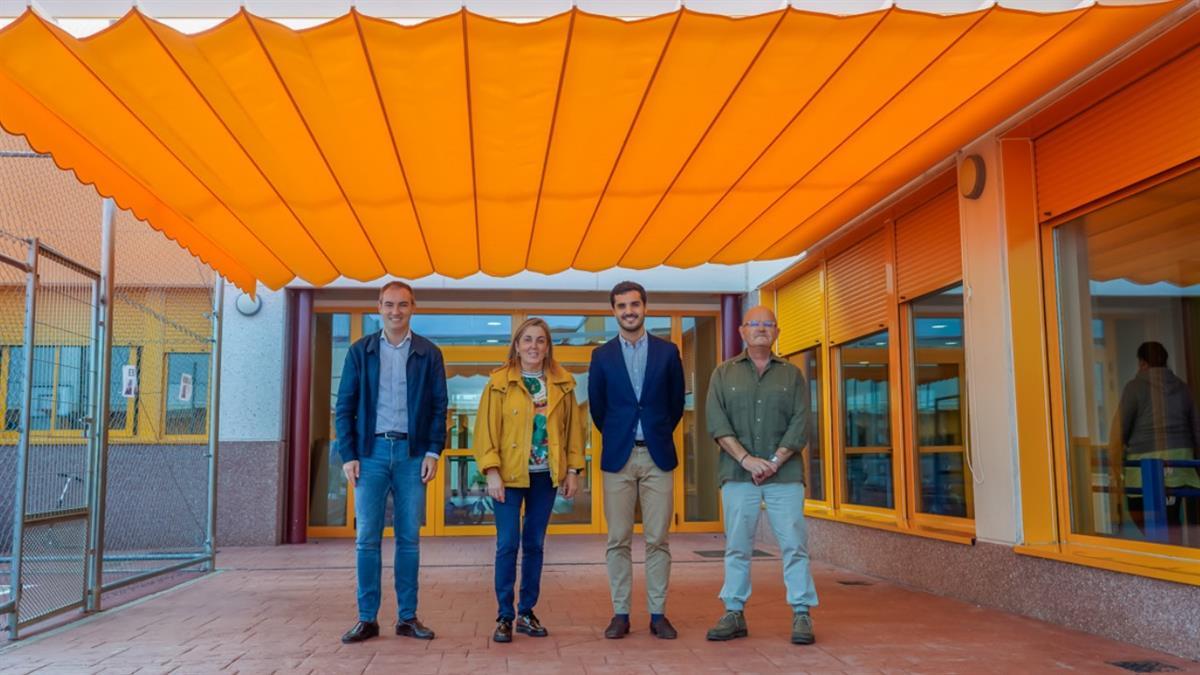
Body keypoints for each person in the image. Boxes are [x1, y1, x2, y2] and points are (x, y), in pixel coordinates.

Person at [335, 281, 447, 644]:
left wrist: (433, 451)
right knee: (366, 539)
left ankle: (407, 618)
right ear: (378, 307)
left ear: (413, 306)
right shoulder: (360, 351)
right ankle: (367, 618)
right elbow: (345, 407)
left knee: (409, 540)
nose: (395, 311)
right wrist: (348, 454)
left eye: (402, 304)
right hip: (370, 455)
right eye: (388, 305)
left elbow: (438, 408)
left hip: (413, 455)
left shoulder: (429, 354)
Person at [704, 305, 818, 645]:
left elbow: (801, 422)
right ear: (741, 331)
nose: (761, 329)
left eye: (768, 324)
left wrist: (774, 460)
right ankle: (733, 612)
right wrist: (747, 460)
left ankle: (801, 613)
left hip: (785, 476)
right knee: (737, 546)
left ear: (777, 332)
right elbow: (716, 422)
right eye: (754, 324)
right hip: (738, 476)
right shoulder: (722, 374)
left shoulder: (792, 374)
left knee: (795, 545)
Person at [474, 318, 586, 643]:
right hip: (508, 477)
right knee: (507, 544)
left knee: (534, 545)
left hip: (545, 477)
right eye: (527, 340)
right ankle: (504, 616)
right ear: (517, 345)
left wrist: (573, 470)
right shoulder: (498, 383)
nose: (533, 346)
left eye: (540, 340)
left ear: (548, 346)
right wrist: (491, 470)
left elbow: (573, 434)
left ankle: (526, 612)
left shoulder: (563, 384)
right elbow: (485, 432)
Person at [588, 281, 685, 640]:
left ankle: (658, 614)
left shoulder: (668, 351)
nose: (629, 311)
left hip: (658, 456)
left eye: (634, 304)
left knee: (658, 538)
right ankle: (621, 613)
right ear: (613, 311)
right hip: (619, 457)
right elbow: (600, 409)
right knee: (618, 539)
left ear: (645, 307)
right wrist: (623, 434)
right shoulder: (601, 357)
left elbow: (675, 406)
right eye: (621, 306)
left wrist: (654, 430)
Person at [1109, 341, 1200, 545]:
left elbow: (1119, 429)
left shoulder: (1134, 387)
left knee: (1141, 513)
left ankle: (1161, 554)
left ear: (1142, 363)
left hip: (1144, 463)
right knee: (1173, 515)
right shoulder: (1183, 388)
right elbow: (1196, 427)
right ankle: (1173, 553)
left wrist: (1113, 463)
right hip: (1182, 463)